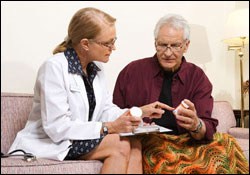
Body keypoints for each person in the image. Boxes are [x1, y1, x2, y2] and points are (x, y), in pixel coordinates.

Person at [8, 7, 173, 174]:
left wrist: (137, 113)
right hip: (55, 142)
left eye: (114, 41)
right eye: (107, 43)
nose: (113, 48)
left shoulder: (96, 69)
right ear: (85, 43)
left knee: (135, 143)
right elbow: (57, 128)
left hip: (79, 137)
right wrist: (109, 127)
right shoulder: (54, 67)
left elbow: (106, 110)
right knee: (119, 144)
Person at [113, 14, 249, 174]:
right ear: (155, 43)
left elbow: (207, 128)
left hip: (188, 141)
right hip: (149, 143)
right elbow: (114, 118)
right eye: (163, 45)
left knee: (227, 143)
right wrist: (140, 113)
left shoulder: (197, 76)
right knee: (165, 159)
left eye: (175, 45)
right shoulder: (132, 72)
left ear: (186, 45)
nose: (168, 53)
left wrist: (196, 125)